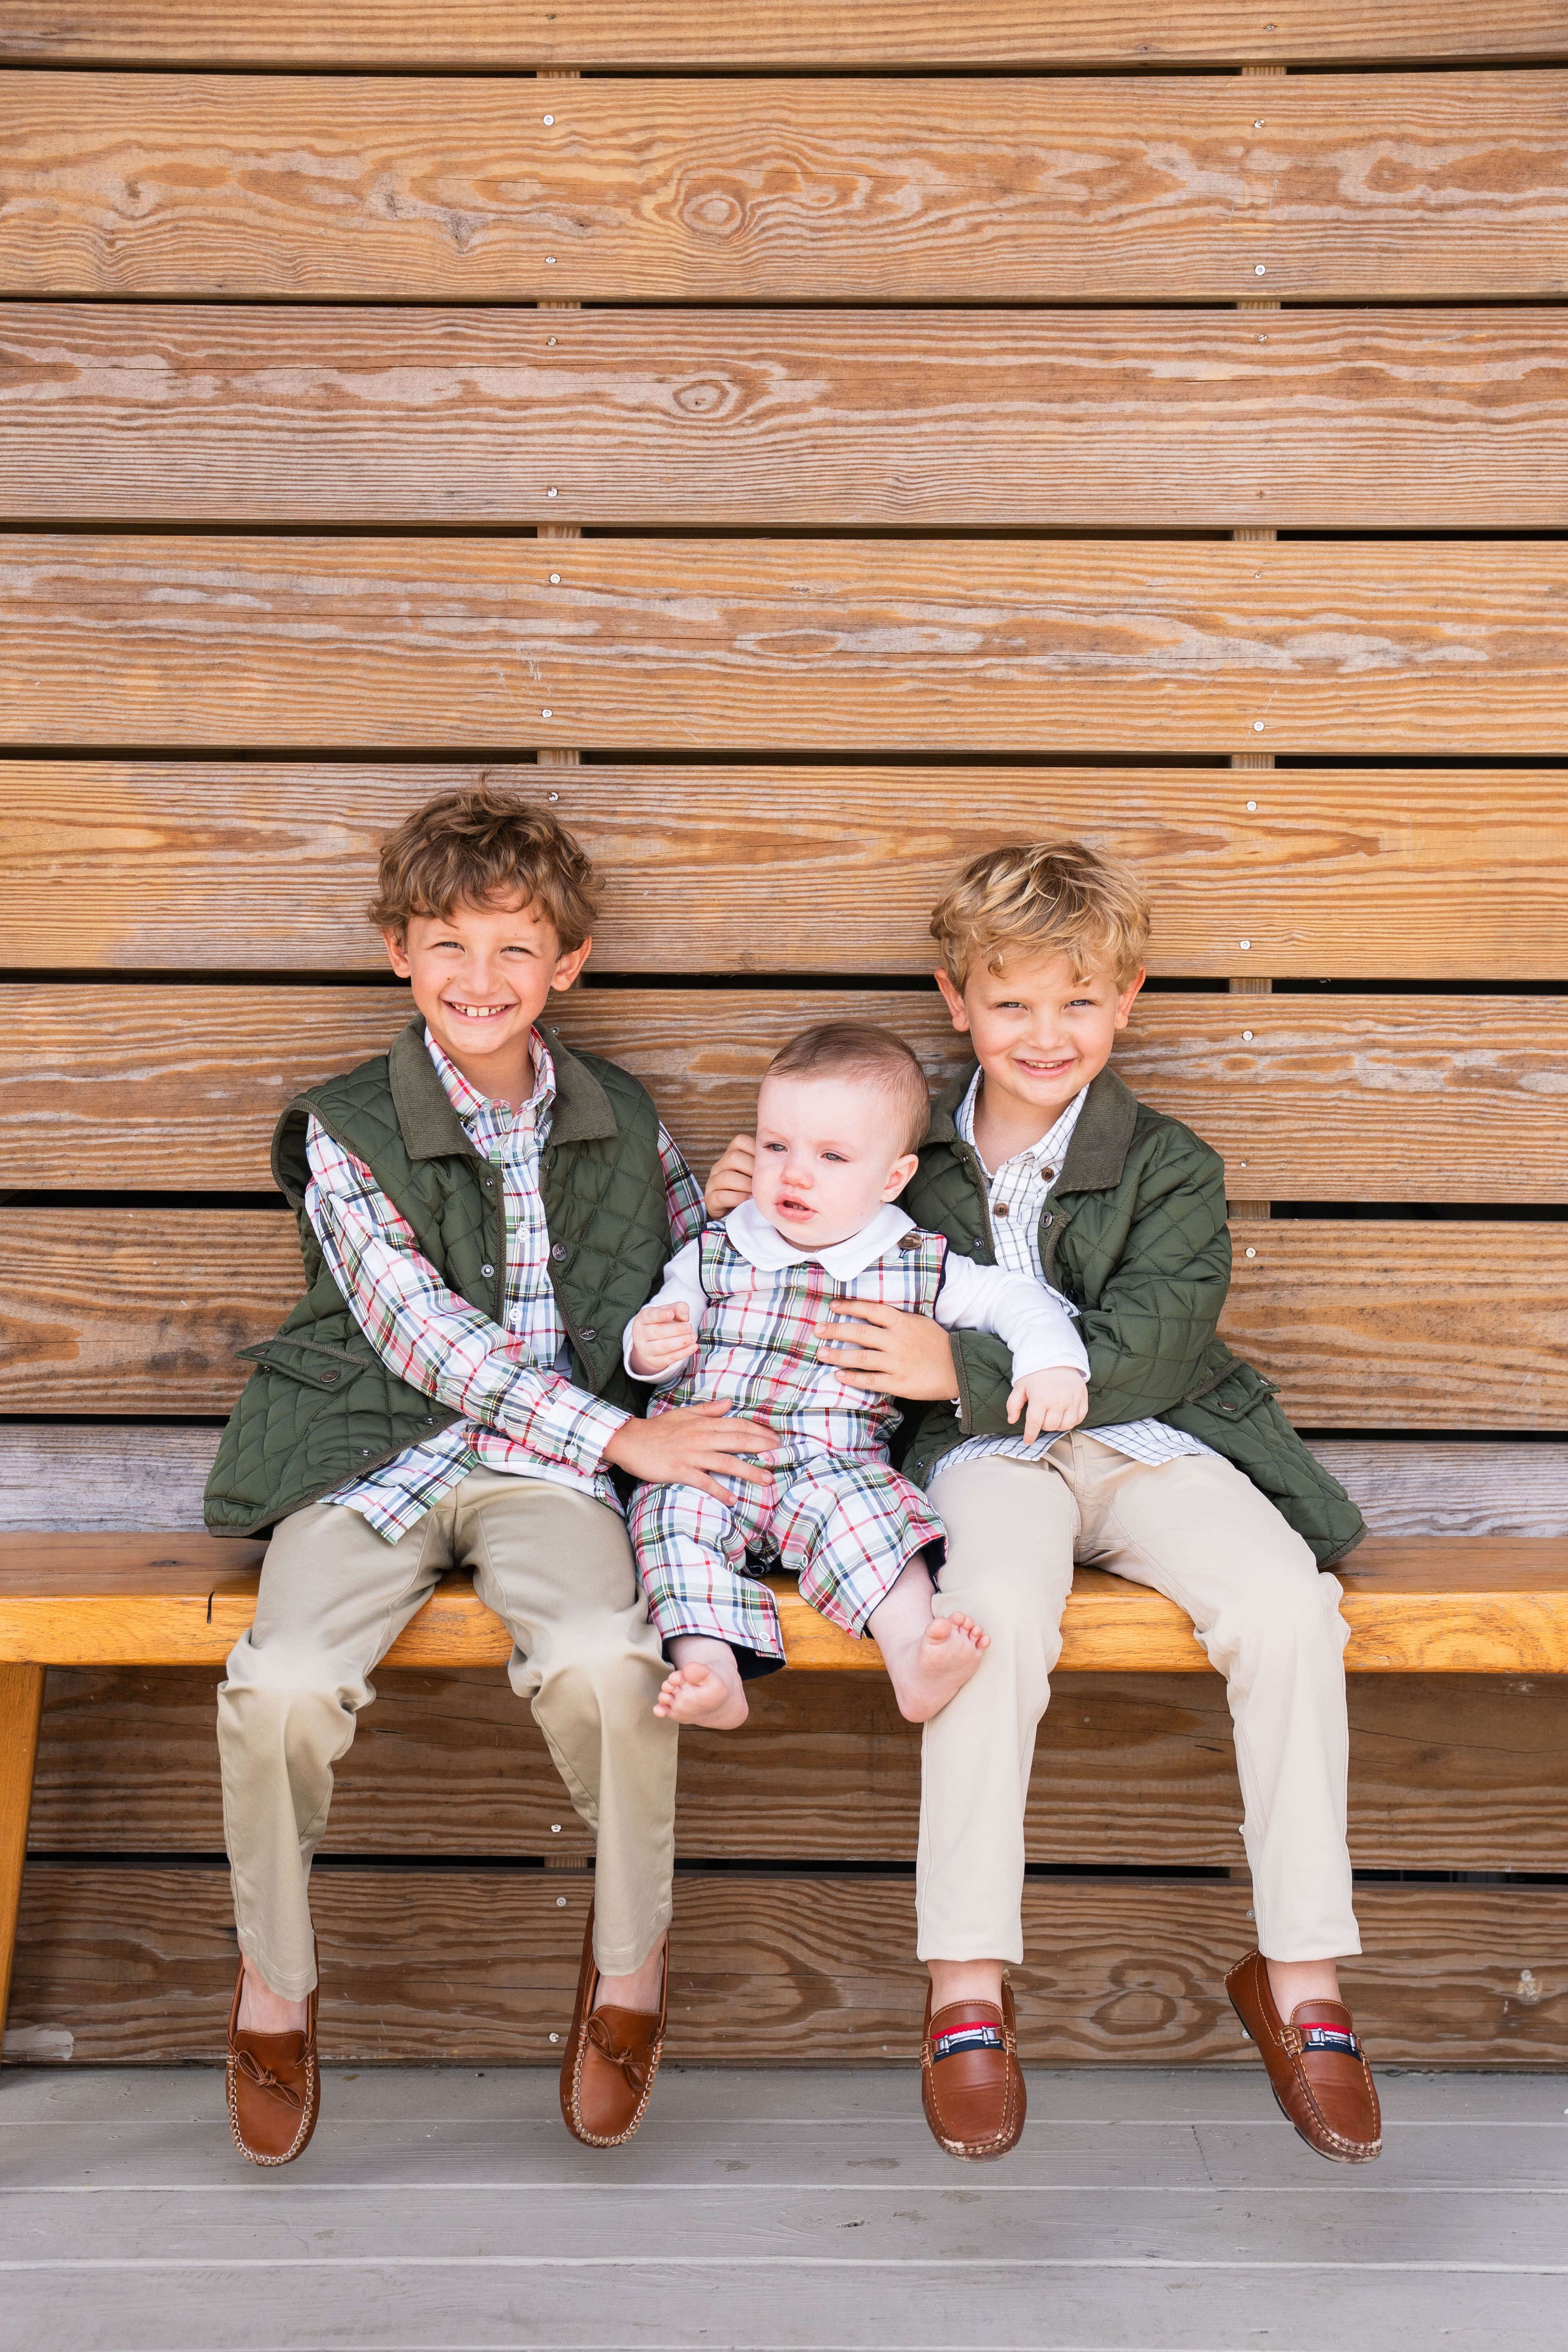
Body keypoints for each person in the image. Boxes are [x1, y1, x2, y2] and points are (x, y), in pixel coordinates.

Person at [705, 842, 1380, 2168]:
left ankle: (1302, 1977)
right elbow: (774, 1268)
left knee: (1288, 1609)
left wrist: (957, 1362)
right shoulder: (899, 1154)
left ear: (1126, 1000)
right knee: (992, 1615)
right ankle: (967, 1986)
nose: (1045, 1034)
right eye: (1011, 1004)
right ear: (956, 1003)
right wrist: (747, 1213)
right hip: (985, 1463)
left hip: (1152, 1439)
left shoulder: (1167, 1163)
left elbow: (1159, 1342)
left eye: (1078, 1002)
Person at [204, 787, 779, 2164]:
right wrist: (624, 1437)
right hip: (369, 1450)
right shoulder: (346, 1126)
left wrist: (749, 1220)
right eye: (448, 945)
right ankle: (276, 1979)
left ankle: (631, 1966)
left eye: (516, 949)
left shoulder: (621, 1116)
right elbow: (418, 1333)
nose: (481, 979)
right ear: (399, 951)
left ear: (566, 965)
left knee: (601, 1660)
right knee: (279, 1687)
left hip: (548, 1477)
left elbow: (693, 1284)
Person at [624, 1021, 1090, 1731]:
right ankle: (711, 1669)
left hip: (831, 1469)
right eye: (776, 1147)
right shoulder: (720, 1242)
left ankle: (913, 1659)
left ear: (893, 1176)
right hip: (708, 1460)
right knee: (667, 1520)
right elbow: (662, 1324)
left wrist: (1051, 1362)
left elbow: (1014, 1299)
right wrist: (651, 1348)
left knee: (875, 1517)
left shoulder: (912, 1258)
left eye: (832, 1156)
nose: (795, 1173)